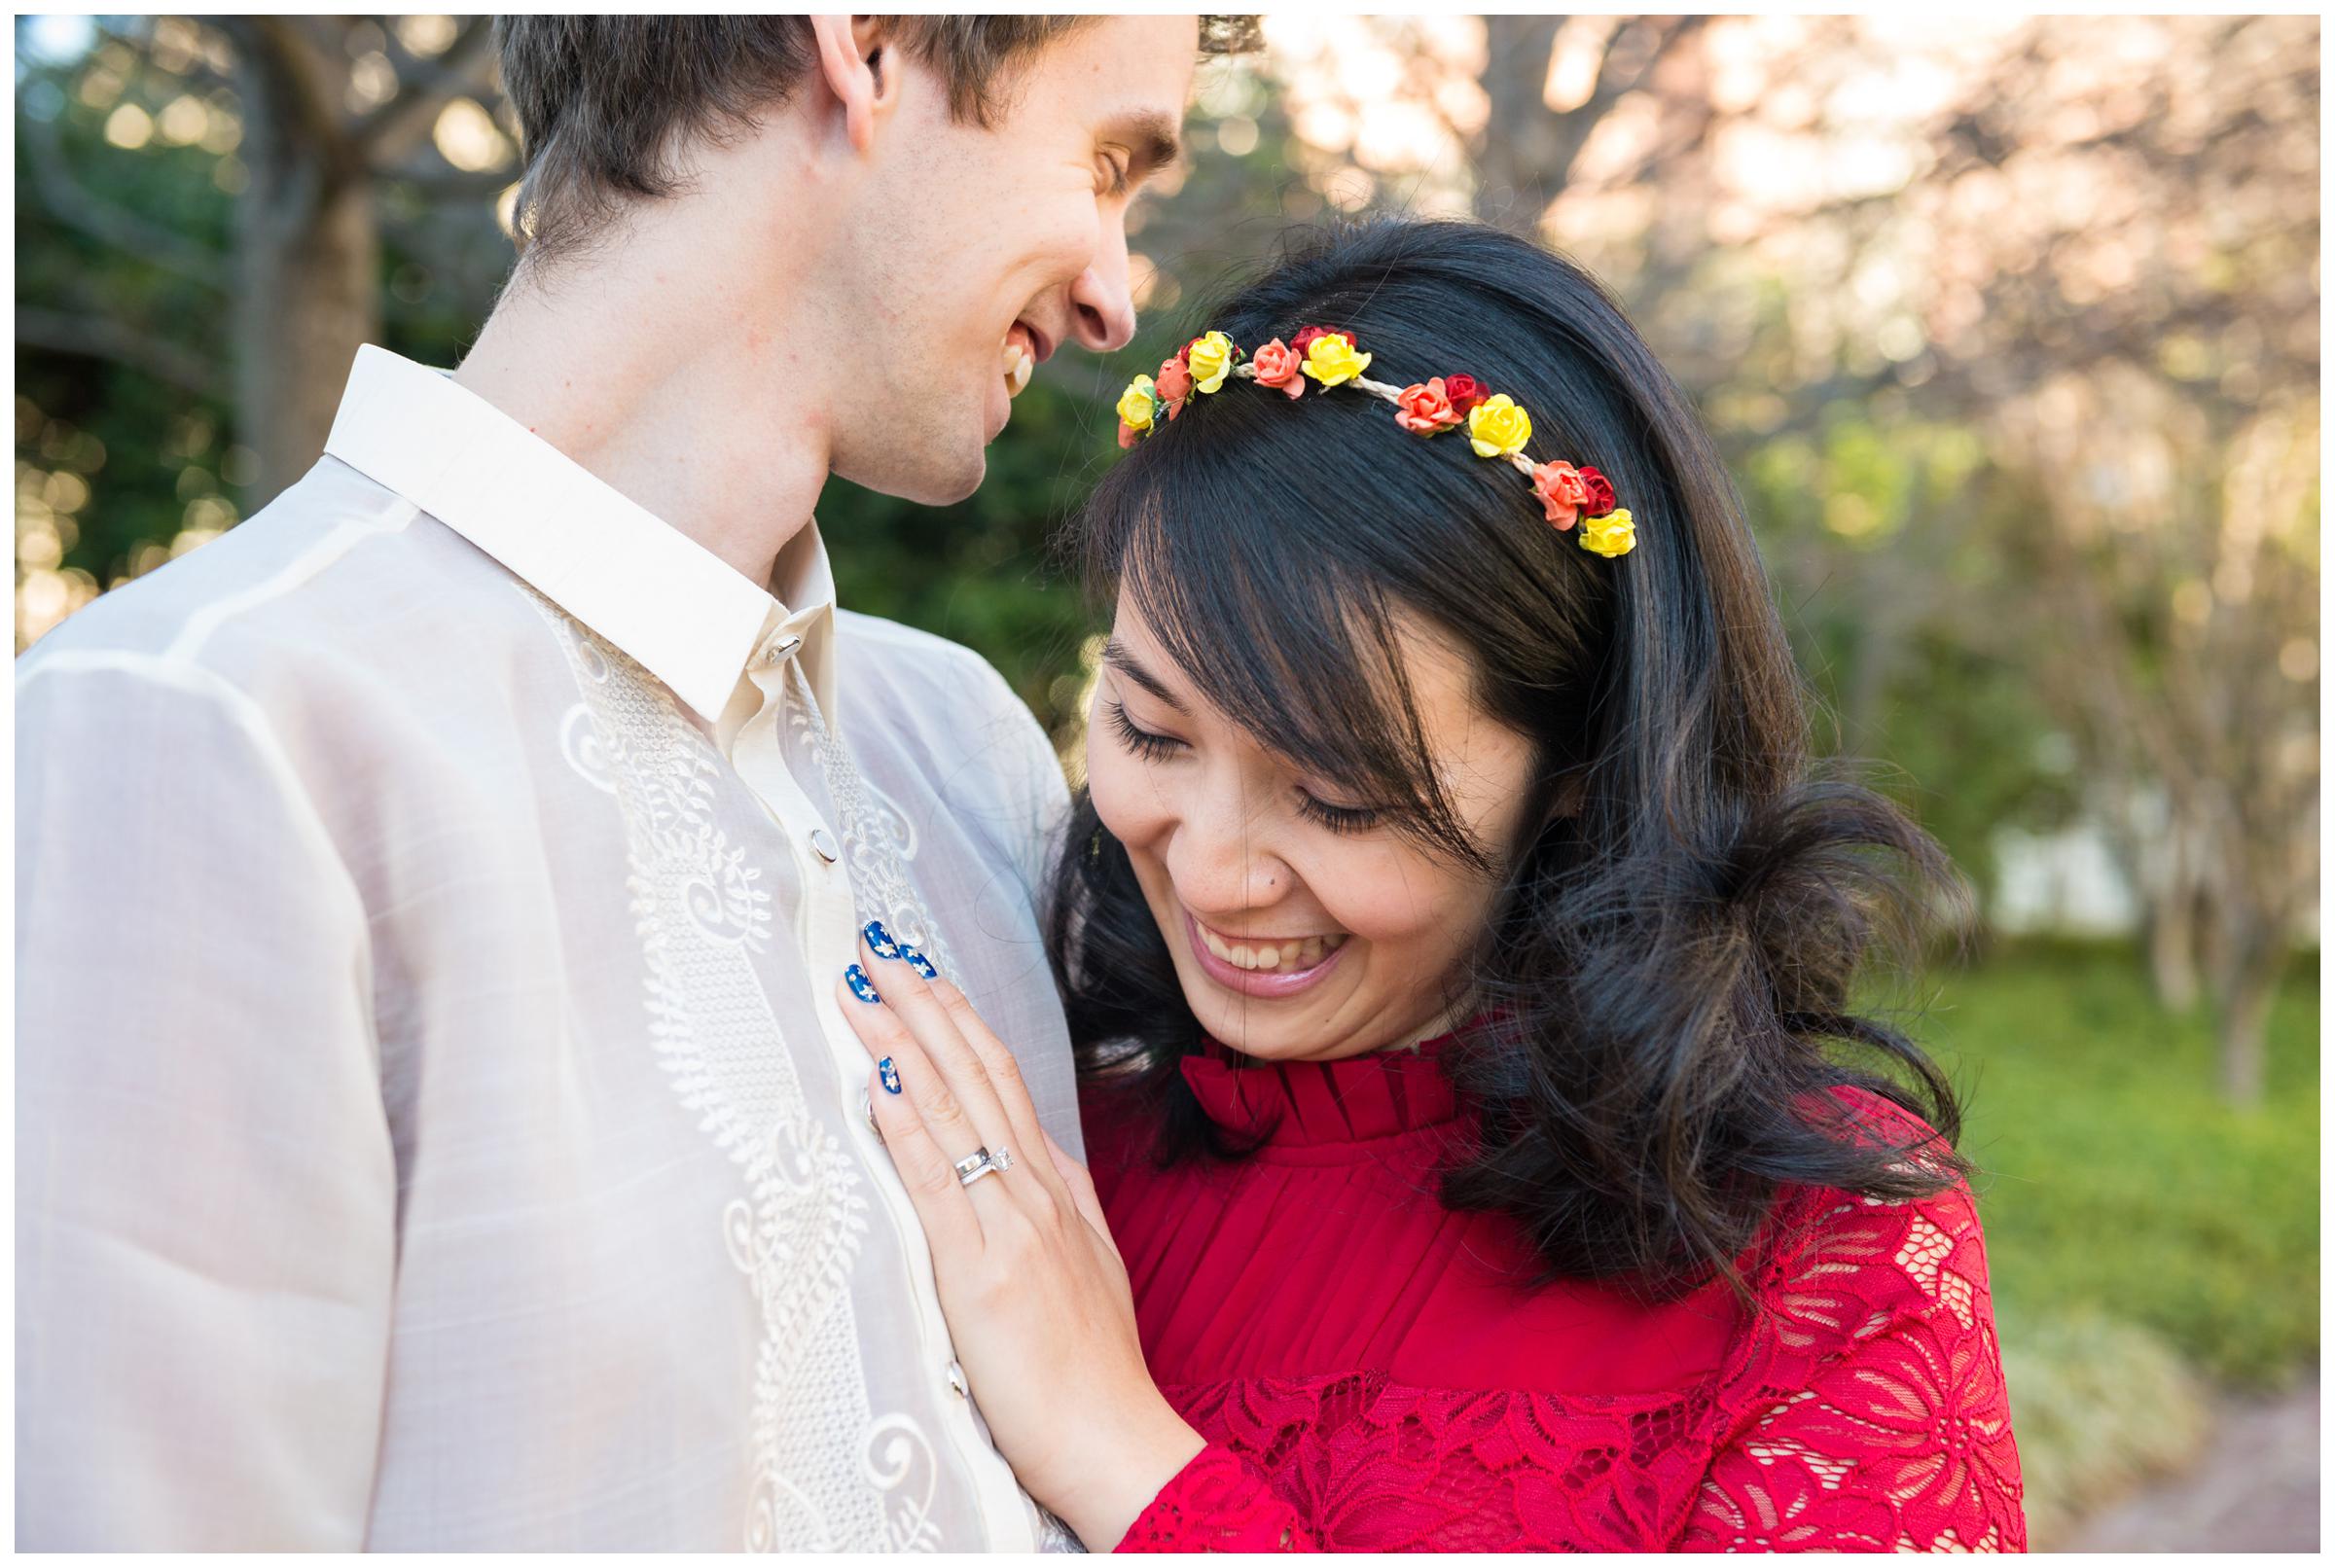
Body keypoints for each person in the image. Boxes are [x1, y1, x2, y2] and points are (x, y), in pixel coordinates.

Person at [16, 16, 1235, 1550]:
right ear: (865, 45)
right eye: (1108, 160)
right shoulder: (208, 733)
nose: (1120, 296)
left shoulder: (969, 749)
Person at [836, 219, 2028, 1551]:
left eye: (1340, 796)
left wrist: (1120, 1453)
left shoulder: (1820, 1266)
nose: (1219, 872)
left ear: (1577, 761)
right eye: (1153, 733)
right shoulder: (1049, 1175)